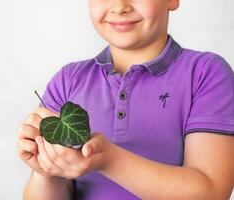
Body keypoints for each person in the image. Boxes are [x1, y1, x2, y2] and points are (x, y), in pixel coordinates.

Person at [17, 0, 234, 199]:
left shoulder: (205, 73)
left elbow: (211, 192)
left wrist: (109, 160)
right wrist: (45, 171)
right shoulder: (68, 80)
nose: (119, 6)